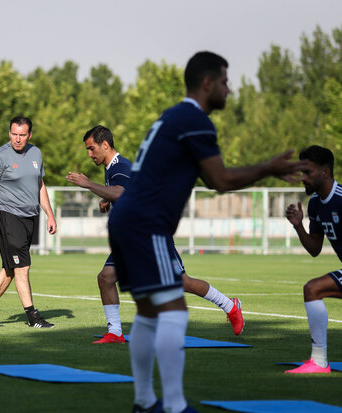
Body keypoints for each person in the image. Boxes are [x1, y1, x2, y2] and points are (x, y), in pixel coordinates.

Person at [107, 51, 304, 413]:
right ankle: (175, 406)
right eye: (226, 82)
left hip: (127, 218)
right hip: (145, 222)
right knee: (174, 311)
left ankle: (144, 402)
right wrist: (269, 167)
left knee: (150, 312)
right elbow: (220, 180)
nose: (230, 90)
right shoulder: (194, 119)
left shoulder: (171, 116)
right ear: (208, 83)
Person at [67, 125, 244, 344]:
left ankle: (230, 306)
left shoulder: (120, 166)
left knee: (182, 283)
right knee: (106, 277)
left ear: (105, 144)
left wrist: (88, 184)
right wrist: (106, 199)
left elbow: (122, 193)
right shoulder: (112, 168)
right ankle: (115, 332)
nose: (89, 154)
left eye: (91, 149)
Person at [0, 116, 57, 328]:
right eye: (13, 134)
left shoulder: (36, 153)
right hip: (8, 216)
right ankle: (33, 317)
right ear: (9, 132)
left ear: (29, 135)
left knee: (11, 269)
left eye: (22, 135)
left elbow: (40, 185)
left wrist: (50, 214)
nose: (17, 139)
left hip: (29, 218)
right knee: (22, 267)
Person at [284, 145, 342, 374]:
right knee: (313, 289)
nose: (303, 178)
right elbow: (315, 249)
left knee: (313, 288)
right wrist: (298, 226)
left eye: (307, 172)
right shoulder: (316, 204)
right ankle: (318, 361)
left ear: (325, 172)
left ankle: (319, 361)